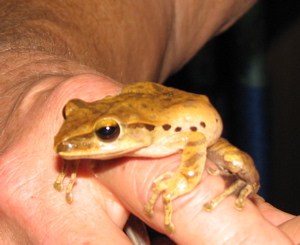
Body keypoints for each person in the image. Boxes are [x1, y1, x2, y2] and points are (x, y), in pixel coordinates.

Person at [0, 1, 298, 244]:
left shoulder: (168, 136)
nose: (64, 140)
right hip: (150, 107)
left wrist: (185, 178)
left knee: (238, 163)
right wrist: (25, 76)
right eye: (70, 112)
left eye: (106, 132)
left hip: (195, 128)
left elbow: (194, 138)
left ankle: (249, 186)